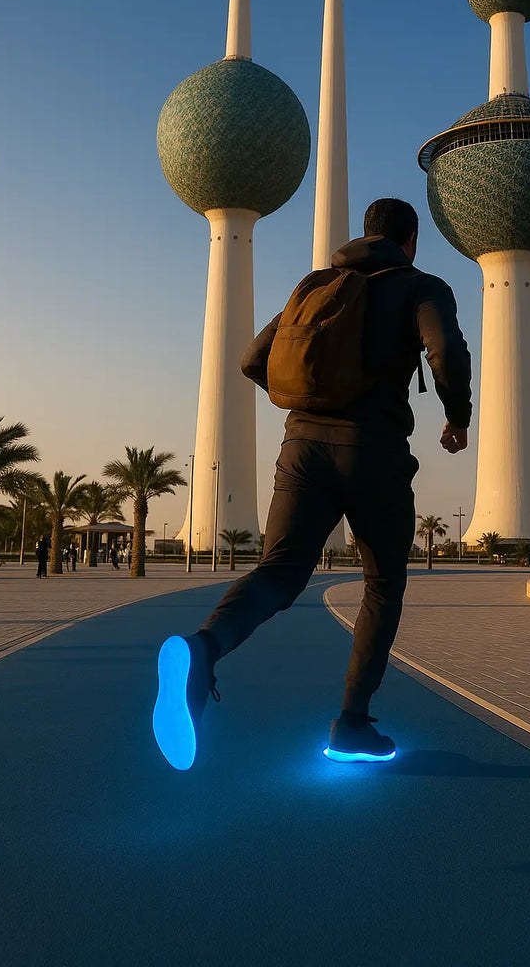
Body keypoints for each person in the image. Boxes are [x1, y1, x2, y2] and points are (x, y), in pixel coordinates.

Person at [153, 198, 471, 770]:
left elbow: (254, 359)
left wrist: (302, 407)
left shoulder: (317, 286)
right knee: (381, 585)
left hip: (300, 451)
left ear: (363, 236)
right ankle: (351, 724)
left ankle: (205, 648)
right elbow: (444, 351)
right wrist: (457, 417)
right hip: (375, 454)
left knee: (279, 571)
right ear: (411, 241)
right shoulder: (421, 285)